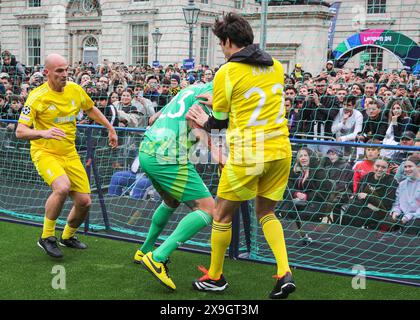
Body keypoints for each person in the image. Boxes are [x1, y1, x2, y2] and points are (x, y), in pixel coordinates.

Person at [188, 12, 295, 299]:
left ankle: (215, 277)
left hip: (250, 152)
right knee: (266, 212)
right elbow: (255, 100)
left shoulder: (227, 71)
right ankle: (284, 272)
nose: (221, 49)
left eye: (221, 43)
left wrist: (201, 121)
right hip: (281, 150)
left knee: (221, 215)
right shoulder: (275, 66)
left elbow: (219, 122)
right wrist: (226, 103)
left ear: (227, 41)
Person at [15, 53, 118, 259]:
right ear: (47, 73)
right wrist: (42, 132)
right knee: (61, 187)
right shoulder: (36, 96)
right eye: (59, 71)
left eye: (67, 70)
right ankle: (47, 237)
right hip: (45, 152)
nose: (65, 74)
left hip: (69, 153)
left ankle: (68, 236)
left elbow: (90, 109)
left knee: (84, 202)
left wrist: (110, 128)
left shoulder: (75, 90)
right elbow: (19, 131)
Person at [135, 82, 217, 291]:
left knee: (170, 200)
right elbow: (195, 125)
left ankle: (144, 251)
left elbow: (154, 118)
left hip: (147, 149)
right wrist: (219, 154)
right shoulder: (213, 94)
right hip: (168, 155)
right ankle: (158, 257)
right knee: (208, 209)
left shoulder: (191, 88)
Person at [342, 157, 397, 230]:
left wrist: (367, 196)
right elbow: (359, 194)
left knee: (358, 217)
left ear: (387, 169)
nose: (379, 169)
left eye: (383, 167)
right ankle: (342, 233)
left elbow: (385, 204)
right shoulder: (367, 177)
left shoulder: (391, 181)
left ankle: (352, 235)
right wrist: (366, 200)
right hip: (364, 205)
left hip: (378, 210)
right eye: (377, 166)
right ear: (373, 166)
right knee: (349, 211)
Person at [389, 155, 420, 236]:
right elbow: (397, 203)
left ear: (418, 167)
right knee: (383, 223)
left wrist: (408, 217)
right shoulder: (402, 184)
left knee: (410, 229)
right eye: (405, 167)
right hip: (402, 215)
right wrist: (395, 211)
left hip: (416, 216)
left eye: (410, 166)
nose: (407, 169)